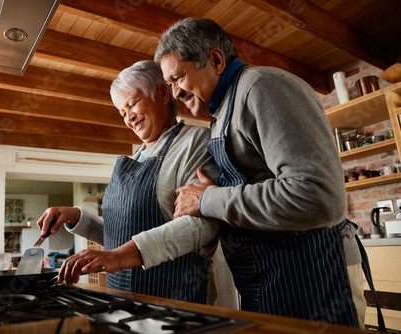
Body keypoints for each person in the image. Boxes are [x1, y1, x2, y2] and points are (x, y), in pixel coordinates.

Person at [154, 18, 371, 328]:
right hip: (269, 278)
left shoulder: (263, 87)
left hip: (314, 275)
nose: (175, 93)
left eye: (177, 78)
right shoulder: (222, 113)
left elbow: (316, 195)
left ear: (215, 60)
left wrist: (209, 199)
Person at [37, 60, 226, 305]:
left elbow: (202, 226)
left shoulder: (196, 142)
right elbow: (121, 237)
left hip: (177, 299)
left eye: (133, 103)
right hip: (123, 300)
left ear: (161, 93)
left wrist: (118, 255)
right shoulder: (137, 155)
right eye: (122, 112)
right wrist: (77, 217)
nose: (129, 118)